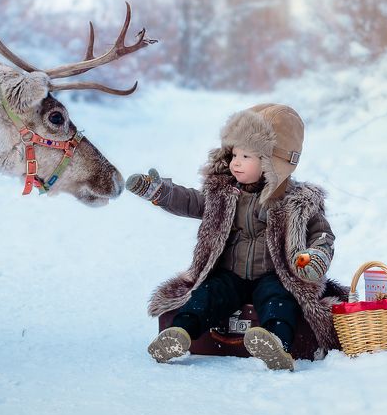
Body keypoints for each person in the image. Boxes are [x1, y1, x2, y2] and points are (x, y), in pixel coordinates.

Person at [125, 103, 347, 371]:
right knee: (208, 294)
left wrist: (316, 257)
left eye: (247, 156)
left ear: (271, 163)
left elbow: (322, 234)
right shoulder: (224, 193)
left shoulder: (296, 201)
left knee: (278, 300)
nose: (236, 163)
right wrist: (160, 192)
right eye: (234, 155)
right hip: (231, 274)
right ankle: (179, 333)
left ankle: (275, 343)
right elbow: (192, 201)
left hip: (274, 274)